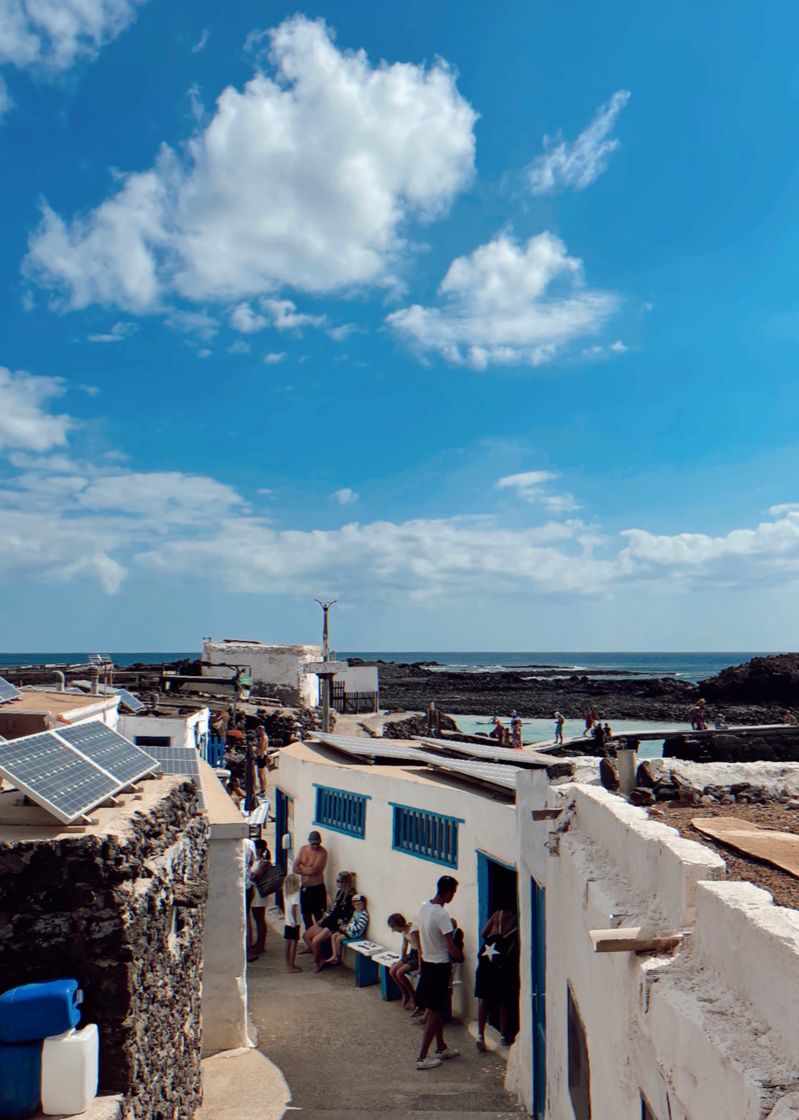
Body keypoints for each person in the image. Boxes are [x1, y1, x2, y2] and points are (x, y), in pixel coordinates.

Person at [415, 875, 464, 1071]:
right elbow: (450, 946)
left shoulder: (425, 907)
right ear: (448, 892)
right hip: (440, 965)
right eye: (453, 892)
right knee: (435, 1012)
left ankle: (441, 1047)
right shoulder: (443, 916)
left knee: (437, 1007)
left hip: (428, 962)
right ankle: (422, 1057)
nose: (453, 896)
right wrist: (461, 957)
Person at [474, 910, 519, 1051]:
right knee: (503, 1000)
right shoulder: (516, 919)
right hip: (500, 965)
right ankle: (504, 1035)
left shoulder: (497, 915)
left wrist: (493, 938)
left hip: (486, 964)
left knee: (484, 999)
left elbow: (483, 933)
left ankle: (480, 1034)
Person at [304, 871, 356, 971]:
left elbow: (347, 915)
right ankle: (321, 956)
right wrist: (324, 918)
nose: (337, 883)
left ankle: (317, 962)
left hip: (334, 924)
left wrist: (341, 927)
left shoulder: (350, 896)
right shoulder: (340, 892)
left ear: (345, 883)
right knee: (306, 936)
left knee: (315, 941)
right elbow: (333, 909)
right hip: (329, 920)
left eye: (339, 881)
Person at [293, 830, 329, 929]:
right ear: (309, 842)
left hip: (317, 888)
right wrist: (307, 870)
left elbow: (314, 871)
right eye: (313, 844)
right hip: (305, 888)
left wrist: (302, 869)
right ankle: (310, 940)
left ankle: (319, 941)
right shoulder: (303, 850)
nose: (315, 846)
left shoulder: (322, 853)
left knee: (318, 916)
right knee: (306, 916)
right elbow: (294, 868)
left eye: (317, 843)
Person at [387, 913, 421, 1011]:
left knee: (399, 973)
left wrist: (420, 966)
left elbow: (419, 948)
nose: (394, 930)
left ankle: (413, 997)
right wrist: (401, 960)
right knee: (392, 971)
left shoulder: (413, 930)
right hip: (410, 954)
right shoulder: (404, 931)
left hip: (417, 956)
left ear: (399, 925)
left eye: (394, 928)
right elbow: (404, 946)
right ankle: (404, 992)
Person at [248, 840, 273, 961]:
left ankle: (261, 944)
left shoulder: (264, 862)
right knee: (256, 918)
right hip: (255, 893)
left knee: (259, 919)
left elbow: (256, 876)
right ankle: (258, 943)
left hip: (259, 893)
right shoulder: (257, 861)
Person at [328, 894, 370, 966]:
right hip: (350, 931)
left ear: (363, 904)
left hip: (355, 933)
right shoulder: (356, 912)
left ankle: (338, 957)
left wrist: (346, 928)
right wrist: (345, 926)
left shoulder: (364, 914)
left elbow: (358, 927)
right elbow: (352, 922)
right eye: (355, 905)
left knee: (339, 938)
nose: (357, 906)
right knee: (334, 935)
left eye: (359, 904)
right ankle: (334, 954)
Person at [282, 872, 303, 973]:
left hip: (287, 921)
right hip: (294, 922)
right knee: (293, 943)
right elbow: (294, 908)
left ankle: (287, 964)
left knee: (287, 942)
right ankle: (291, 965)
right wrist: (294, 920)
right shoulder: (296, 894)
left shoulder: (286, 893)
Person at [255, 723, 270, 796]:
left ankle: (263, 790)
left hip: (261, 756)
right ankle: (263, 789)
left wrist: (257, 749)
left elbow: (262, 747)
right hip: (262, 755)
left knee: (261, 774)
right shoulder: (263, 737)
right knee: (262, 773)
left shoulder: (264, 738)